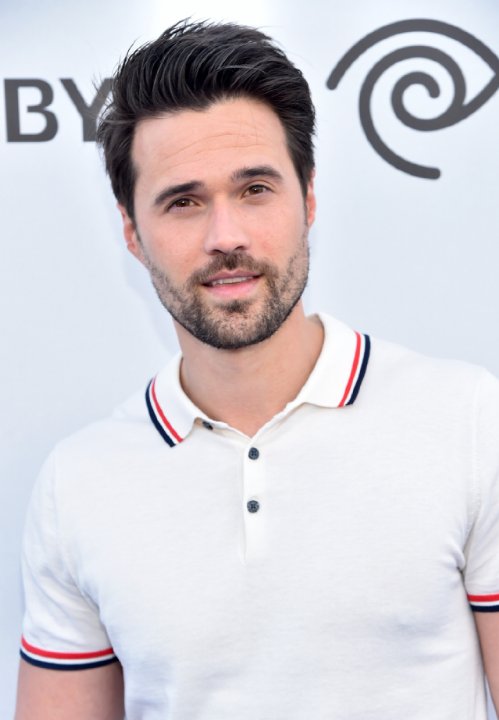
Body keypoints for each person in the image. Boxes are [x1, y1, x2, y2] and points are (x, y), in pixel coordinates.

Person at [14, 18, 499, 720]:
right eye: (183, 202)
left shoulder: (469, 421)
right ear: (131, 232)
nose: (226, 237)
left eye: (254, 190)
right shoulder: (78, 483)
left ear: (308, 199)